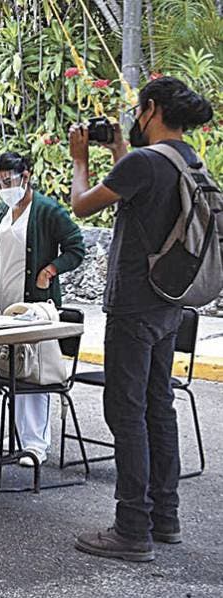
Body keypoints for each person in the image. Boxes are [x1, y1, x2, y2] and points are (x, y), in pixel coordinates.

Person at [69, 76, 214, 562]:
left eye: (137, 111)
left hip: (133, 303)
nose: (133, 118)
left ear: (151, 110)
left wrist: (80, 159)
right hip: (169, 303)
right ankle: (164, 518)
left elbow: (82, 205)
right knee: (158, 407)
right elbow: (141, 193)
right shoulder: (188, 161)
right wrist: (118, 151)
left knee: (126, 412)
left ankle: (131, 528)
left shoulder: (143, 163)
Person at [0, 152, 86, 467]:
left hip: (36, 304)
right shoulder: (2, 210)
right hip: (7, 302)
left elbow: (76, 248)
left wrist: (50, 270)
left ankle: (36, 444)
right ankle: (17, 436)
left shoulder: (47, 210)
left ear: (25, 176)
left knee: (35, 371)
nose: (4, 188)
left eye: (8, 181)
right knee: (12, 368)